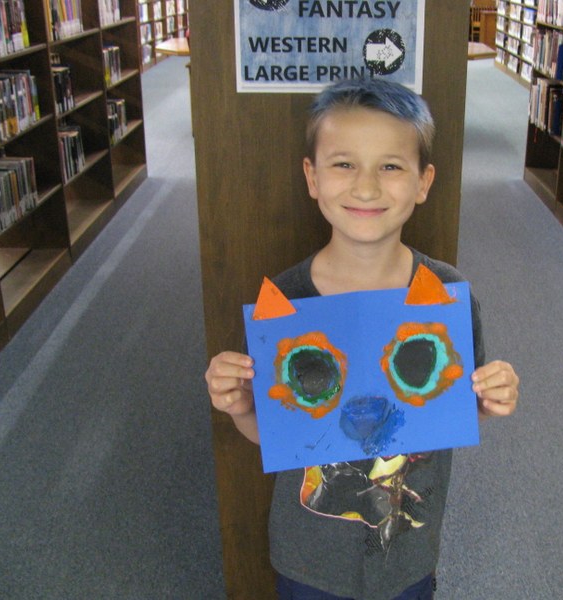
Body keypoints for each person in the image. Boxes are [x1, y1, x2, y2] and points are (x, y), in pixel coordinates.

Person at [205, 77, 519, 600]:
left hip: (406, 551)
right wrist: (239, 407)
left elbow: (450, 414)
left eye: (390, 166)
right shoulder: (283, 304)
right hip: (310, 557)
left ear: (423, 182)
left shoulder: (445, 297)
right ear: (312, 177)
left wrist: (488, 400)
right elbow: (276, 433)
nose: (367, 187)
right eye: (344, 164)